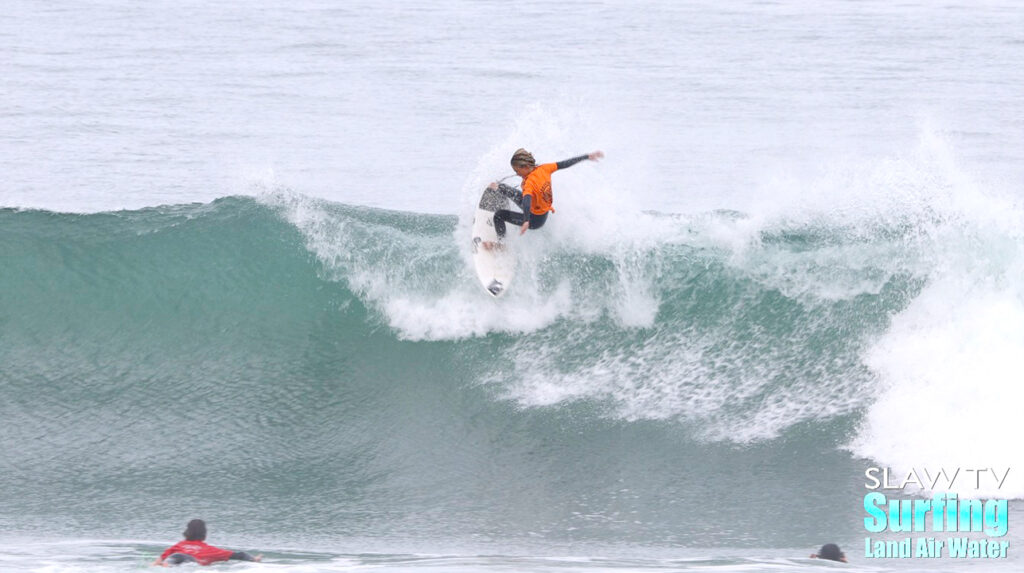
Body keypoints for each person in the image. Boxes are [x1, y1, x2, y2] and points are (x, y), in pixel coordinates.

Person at [486, 148, 603, 242]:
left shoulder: (530, 183)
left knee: (499, 215)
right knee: (501, 187)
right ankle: (498, 189)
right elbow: (564, 164)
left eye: (517, 171)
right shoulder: (545, 168)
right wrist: (586, 157)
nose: (517, 174)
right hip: (539, 210)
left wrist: (526, 220)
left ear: (525, 167)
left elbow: (526, 200)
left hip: (534, 220)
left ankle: (501, 244)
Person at [152, 519, 262, 567]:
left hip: (175, 557)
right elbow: (241, 555)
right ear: (204, 535)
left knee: (167, 564)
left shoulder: (178, 546)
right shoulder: (211, 551)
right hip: (190, 561)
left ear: (186, 533)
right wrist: (254, 559)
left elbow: (157, 562)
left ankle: (167, 566)